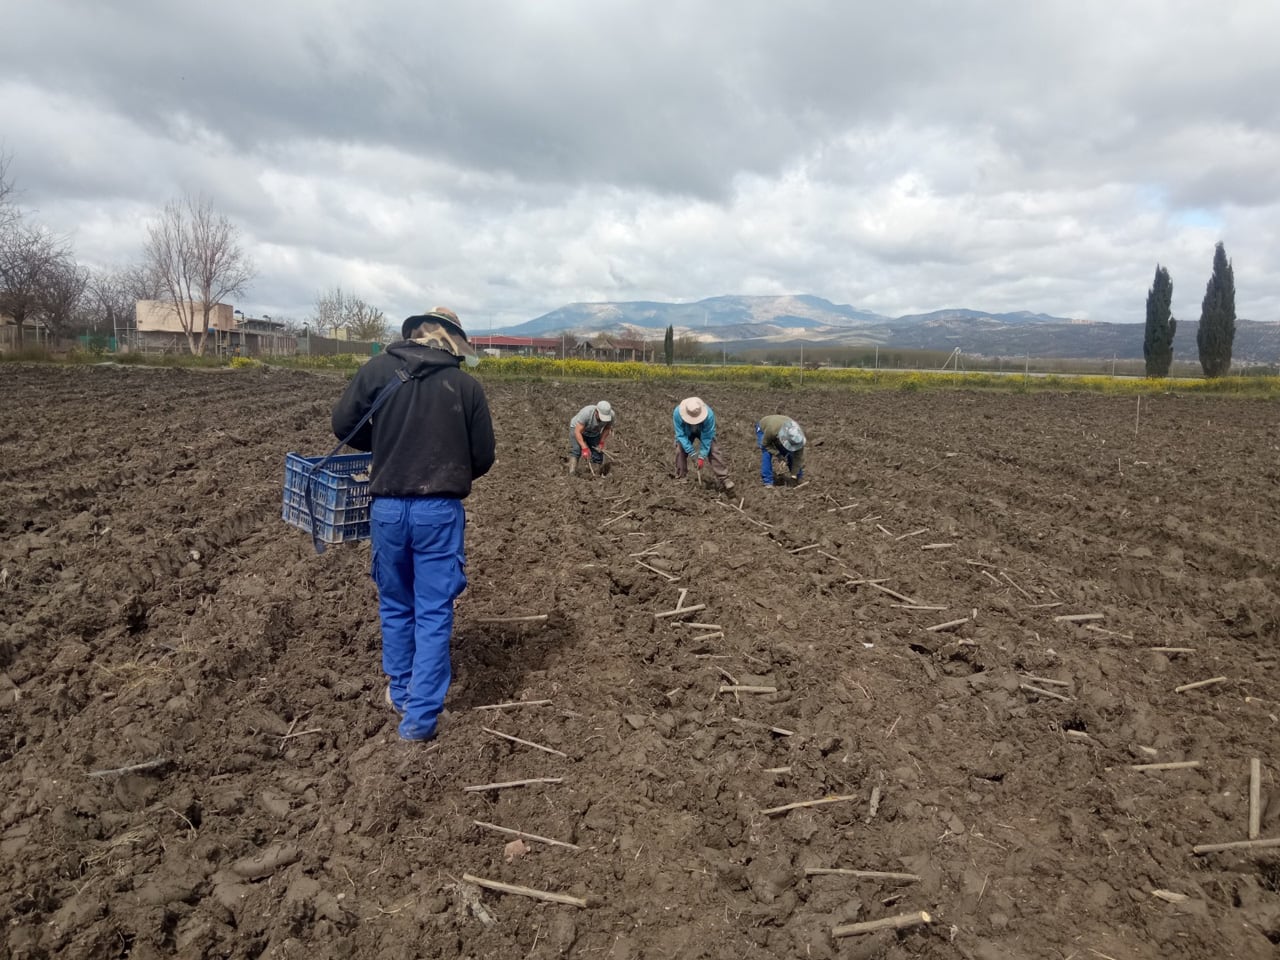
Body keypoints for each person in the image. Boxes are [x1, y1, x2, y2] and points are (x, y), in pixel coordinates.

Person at [331, 307, 496, 742]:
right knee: (433, 611)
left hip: (386, 508)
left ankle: (402, 692)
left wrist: (384, 440)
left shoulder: (378, 370)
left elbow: (343, 425)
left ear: (414, 335)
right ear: (451, 341)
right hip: (438, 512)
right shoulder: (466, 386)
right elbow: (484, 456)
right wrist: (448, 471)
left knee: (396, 604)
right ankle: (420, 719)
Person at [672, 396, 734, 492]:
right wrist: (692, 453)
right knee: (680, 449)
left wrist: (701, 457)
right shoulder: (677, 413)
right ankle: (681, 476)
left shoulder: (709, 415)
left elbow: (707, 437)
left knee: (714, 449)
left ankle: (724, 478)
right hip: (686, 432)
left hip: (702, 431)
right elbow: (680, 435)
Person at [755, 415, 806, 486]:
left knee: (790, 453)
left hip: (779, 428)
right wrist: (778, 455)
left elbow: (798, 457)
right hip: (764, 429)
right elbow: (765, 445)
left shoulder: (798, 436)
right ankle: (768, 481)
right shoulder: (772, 430)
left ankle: (798, 477)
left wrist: (793, 476)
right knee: (766, 453)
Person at [568, 400, 615, 474]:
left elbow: (607, 428)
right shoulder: (586, 413)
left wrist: (601, 442)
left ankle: (596, 472)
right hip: (577, 429)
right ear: (596, 412)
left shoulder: (611, 415)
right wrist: (584, 448)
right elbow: (577, 431)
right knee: (577, 450)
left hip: (594, 432)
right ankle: (572, 472)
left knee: (598, 452)